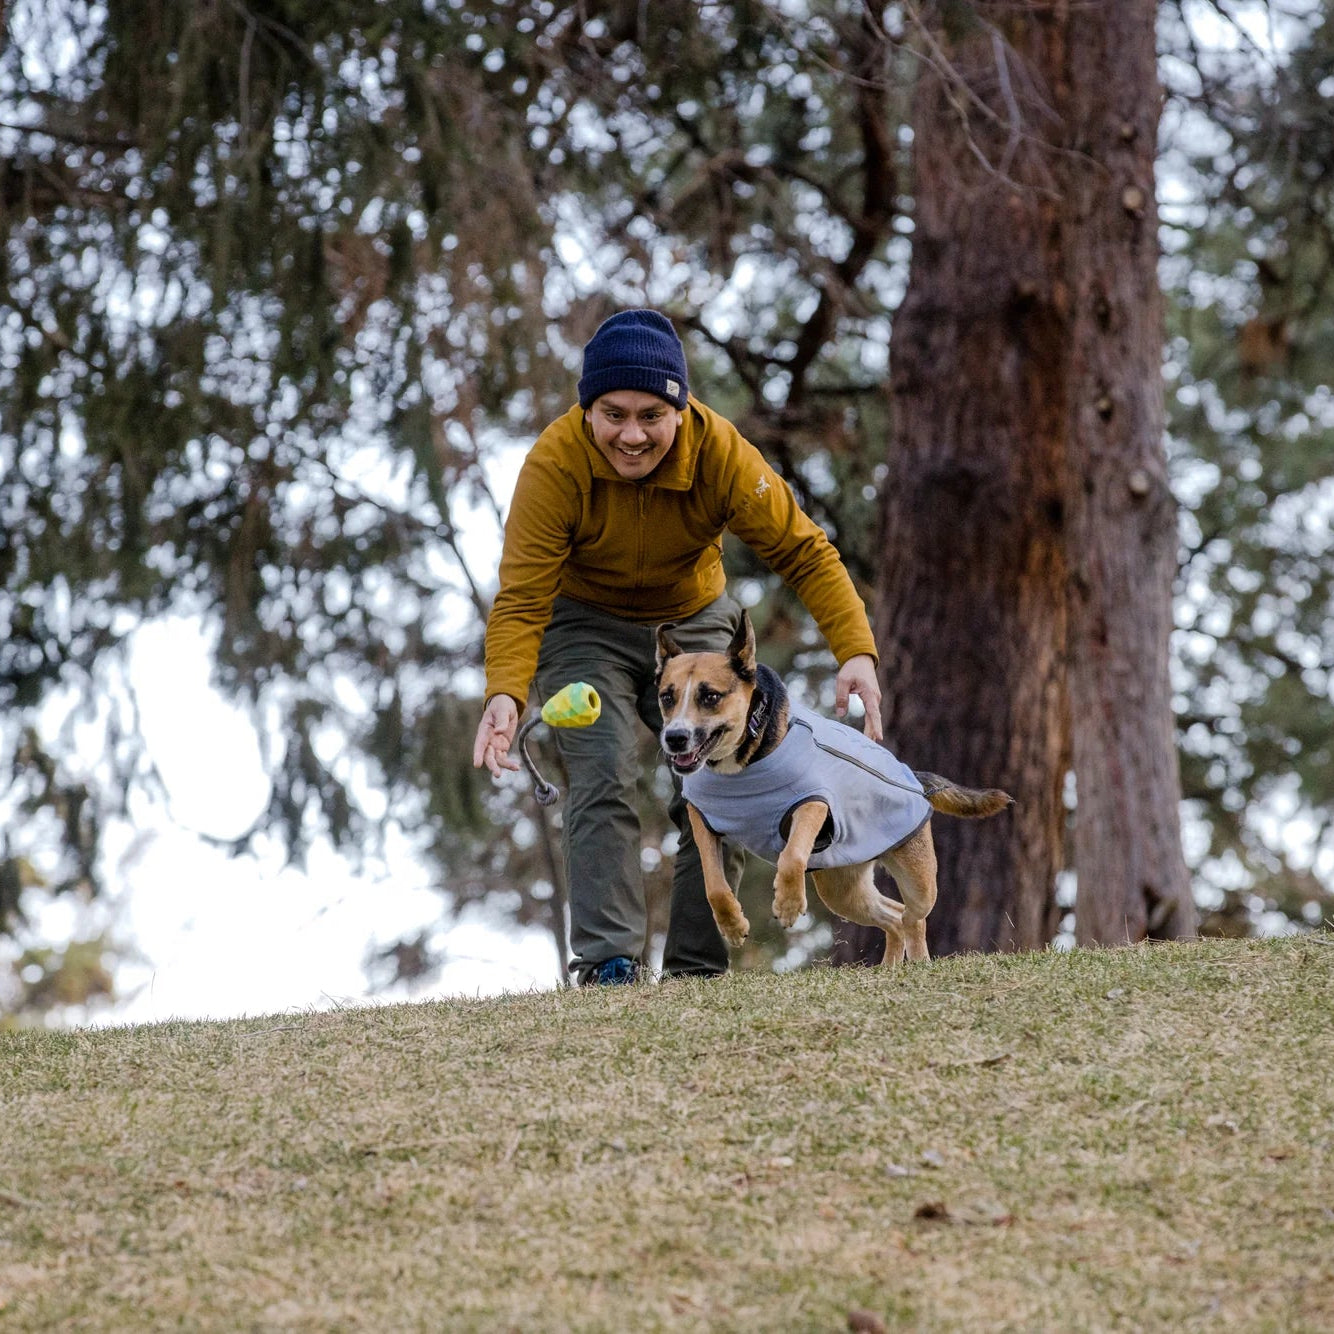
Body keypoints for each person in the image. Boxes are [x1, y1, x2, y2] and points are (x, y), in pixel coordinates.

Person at [471, 308, 881, 985]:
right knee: (600, 768)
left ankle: (697, 968)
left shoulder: (719, 454)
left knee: (715, 777)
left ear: (680, 409)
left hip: (692, 617)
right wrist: (506, 694)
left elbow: (804, 551)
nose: (631, 435)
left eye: (650, 417)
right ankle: (609, 964)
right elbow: (521, 597)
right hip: (585, 624)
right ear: (588, 411)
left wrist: (855, 649)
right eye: (613, 414)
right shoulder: (555, 464)